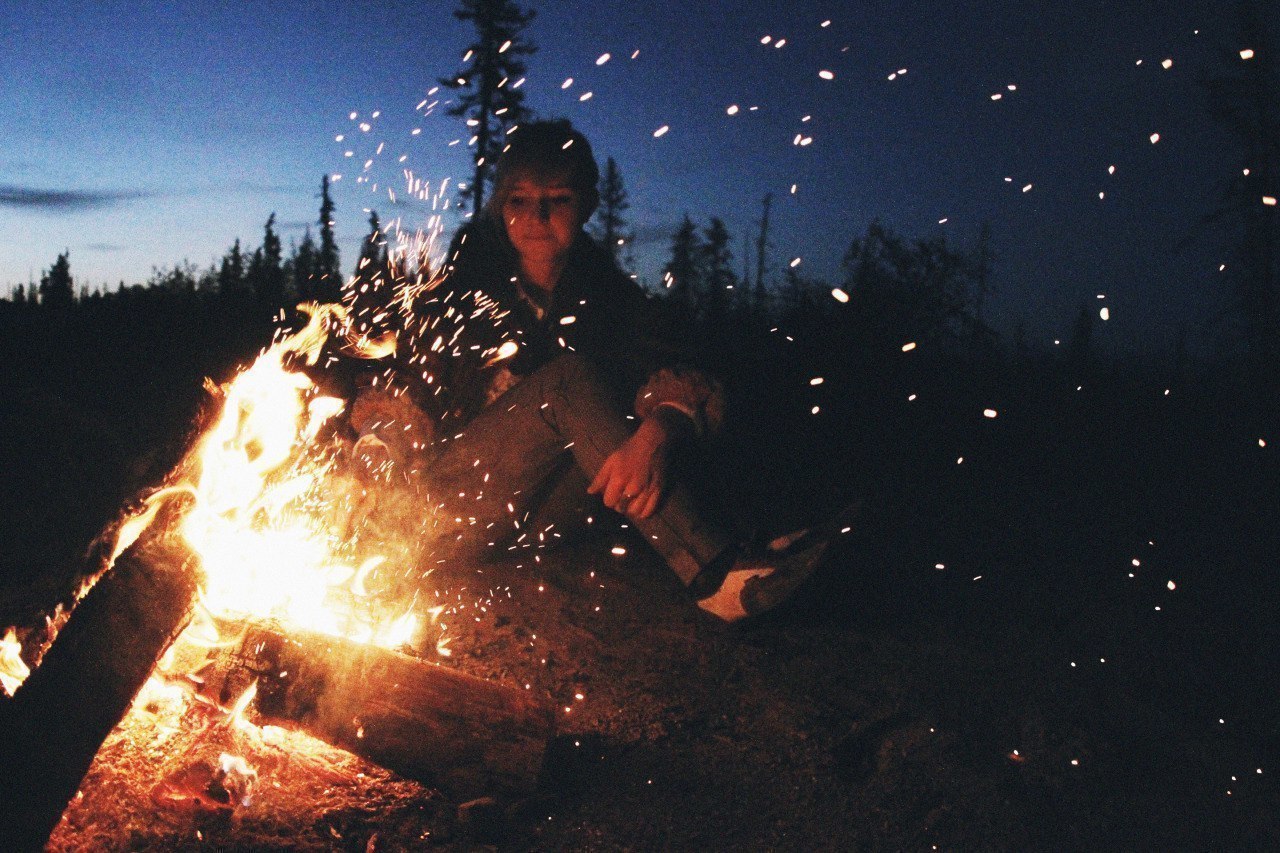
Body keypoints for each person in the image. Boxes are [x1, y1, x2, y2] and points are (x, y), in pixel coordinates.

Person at [363, 119, 844, 623]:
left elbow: (681, 372)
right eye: (519, 200)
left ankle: (755, 542)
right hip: (442, 510)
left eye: (559, 200)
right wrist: (377, 447)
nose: (536, 216)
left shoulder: (611, 300)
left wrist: (662, 427)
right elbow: (405, 389)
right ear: (500, 208)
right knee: (565, 384)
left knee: (646, 424)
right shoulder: (463, 290)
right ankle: (715, 573)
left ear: (587, 207)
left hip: (540, 517)